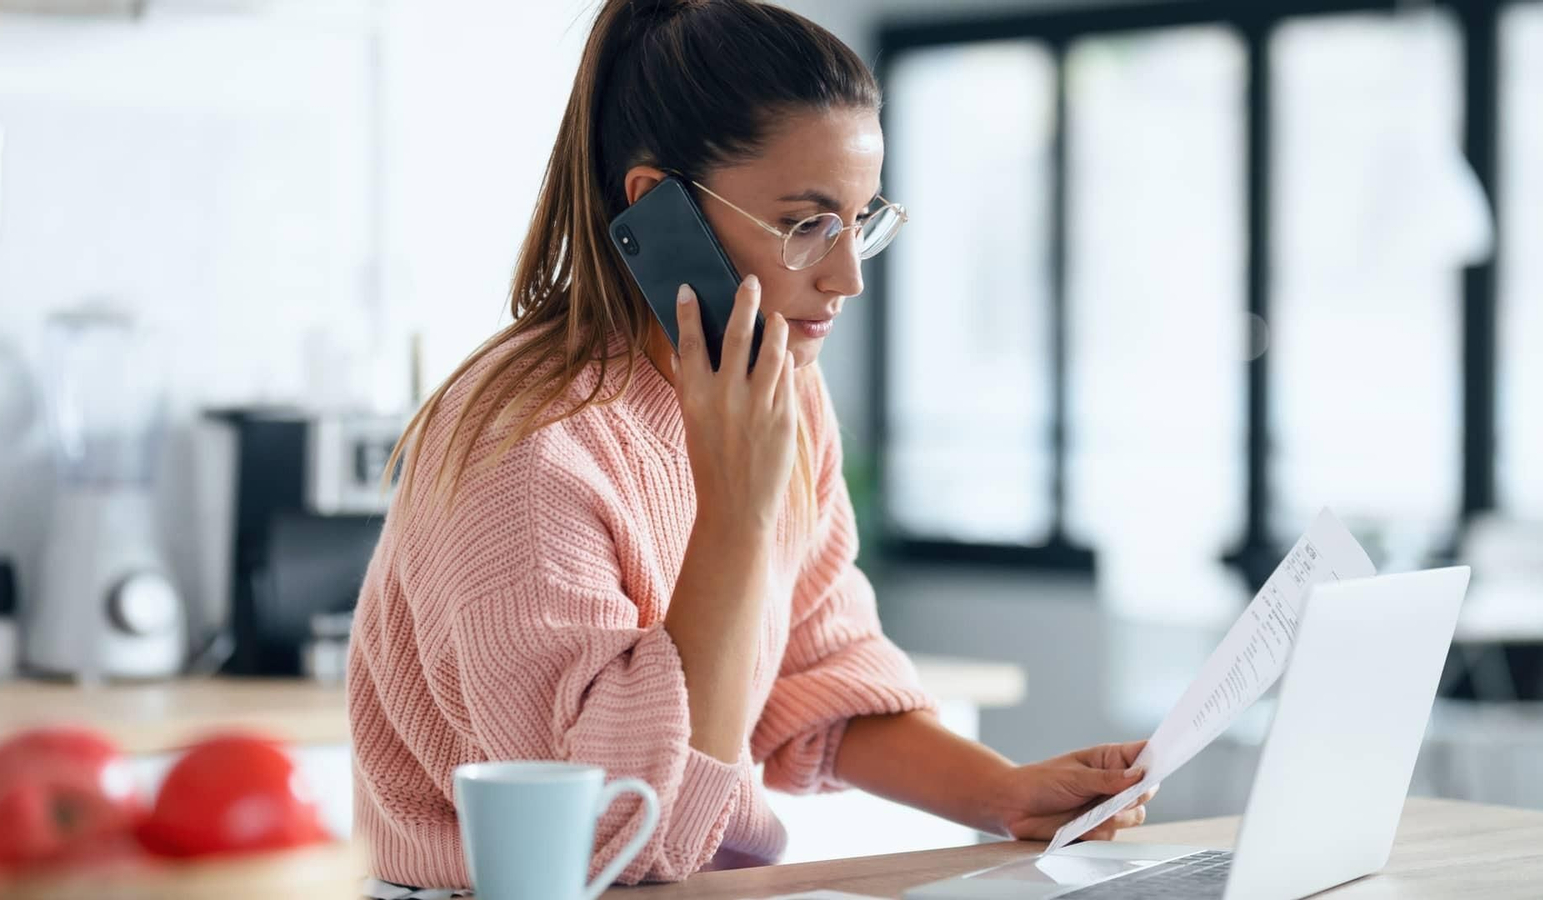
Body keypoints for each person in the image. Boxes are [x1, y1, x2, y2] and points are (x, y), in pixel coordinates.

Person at [348, 0, 1153, 890]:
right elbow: (615, 836)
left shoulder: (779, 391)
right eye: (806, 225)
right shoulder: (529, 449)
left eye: (860, 221)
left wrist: (1007, 792)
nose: (845, 278)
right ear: (659, 209)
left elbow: (820, 672)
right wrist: (734, 514)